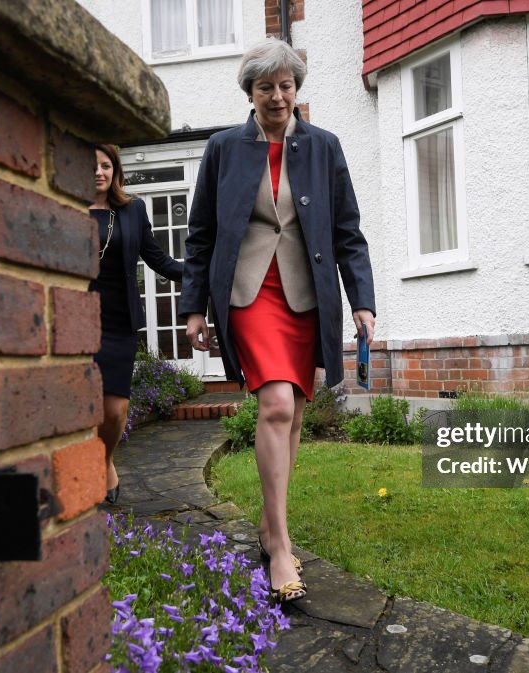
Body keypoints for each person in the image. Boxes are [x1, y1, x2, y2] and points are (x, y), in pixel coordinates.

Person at [179, 39, 376, 603]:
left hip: (305, 294)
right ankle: (281, 545)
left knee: (292, 418)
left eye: (286, 85)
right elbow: (201, 236)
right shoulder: (223, 148)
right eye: (265, 86)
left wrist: (361, 299)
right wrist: (194, 306)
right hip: (247, 293)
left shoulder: (324, 147)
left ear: (296, 89)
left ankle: (270, 524)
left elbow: (347, 232)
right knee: (277, 404)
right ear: (251, 92)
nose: (277, 95)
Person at [91, 144, 183, 504]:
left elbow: (159, 259)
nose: (98, 172)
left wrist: (202, 274)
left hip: (118, 321)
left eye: (105, 165)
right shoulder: (63, 207)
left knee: (114, 410)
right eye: (91, 166)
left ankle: (105, 459)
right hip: (76, 322)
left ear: (115, 170)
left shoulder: (131, 211)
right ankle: (87, 473)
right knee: (84, 406)